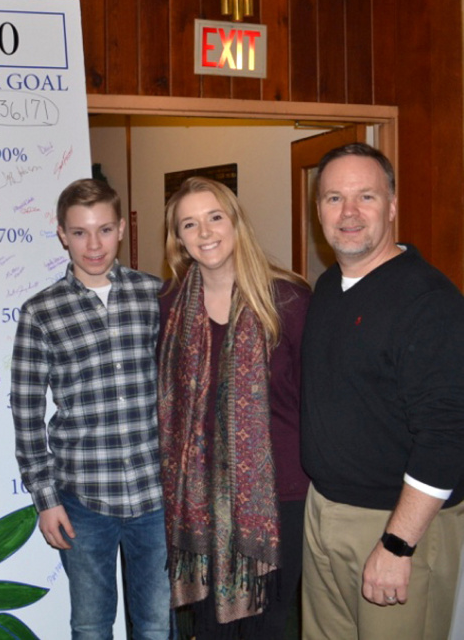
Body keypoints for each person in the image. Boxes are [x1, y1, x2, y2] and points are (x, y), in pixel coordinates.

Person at [300, 143, 464, 640]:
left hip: (395, 524)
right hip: (324, 512)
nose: (348, 212)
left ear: (392, 206)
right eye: (333, 198)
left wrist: (397, 545)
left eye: (365, 196)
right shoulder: (328, 286)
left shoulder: (429, 301)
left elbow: (447, 434)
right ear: (319, 212)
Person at [11, 178, 171, 639]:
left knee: (158, 627)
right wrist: (45, 500)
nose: (93, 245)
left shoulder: (156, 296)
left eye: (103, 229)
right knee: (90, 627)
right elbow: (25, 413)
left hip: (156, 498)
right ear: (62, 233)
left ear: (121, 228)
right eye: (80, 232)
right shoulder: (40, 312)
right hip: (83, 501)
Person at [157, 177, 309, 638]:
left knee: (271, 628)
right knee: (209, 629)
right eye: (190, 223)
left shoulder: (289, 300)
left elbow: (316, 402)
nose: (205, 233)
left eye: (215, 217)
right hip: (197, 505)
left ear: (236, 223)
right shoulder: (167, 307)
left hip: (279, 499)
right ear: (179, 240)